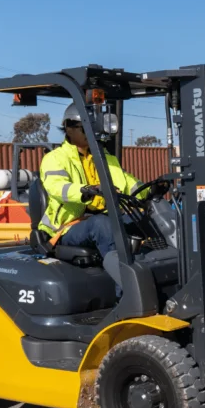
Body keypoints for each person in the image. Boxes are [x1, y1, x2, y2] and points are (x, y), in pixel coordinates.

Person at [39, 103, 143, 295]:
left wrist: (150, 191)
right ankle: (127, 296)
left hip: (103, 217)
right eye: (85, 128)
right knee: (102, 225)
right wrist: (86, 190)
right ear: (69, 128)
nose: (91, 133)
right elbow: (56, 187)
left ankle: (154, 277)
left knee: (141, 219)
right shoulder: (55, 158)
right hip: (67, 227)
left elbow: (129, 183)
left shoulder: (104, 157)